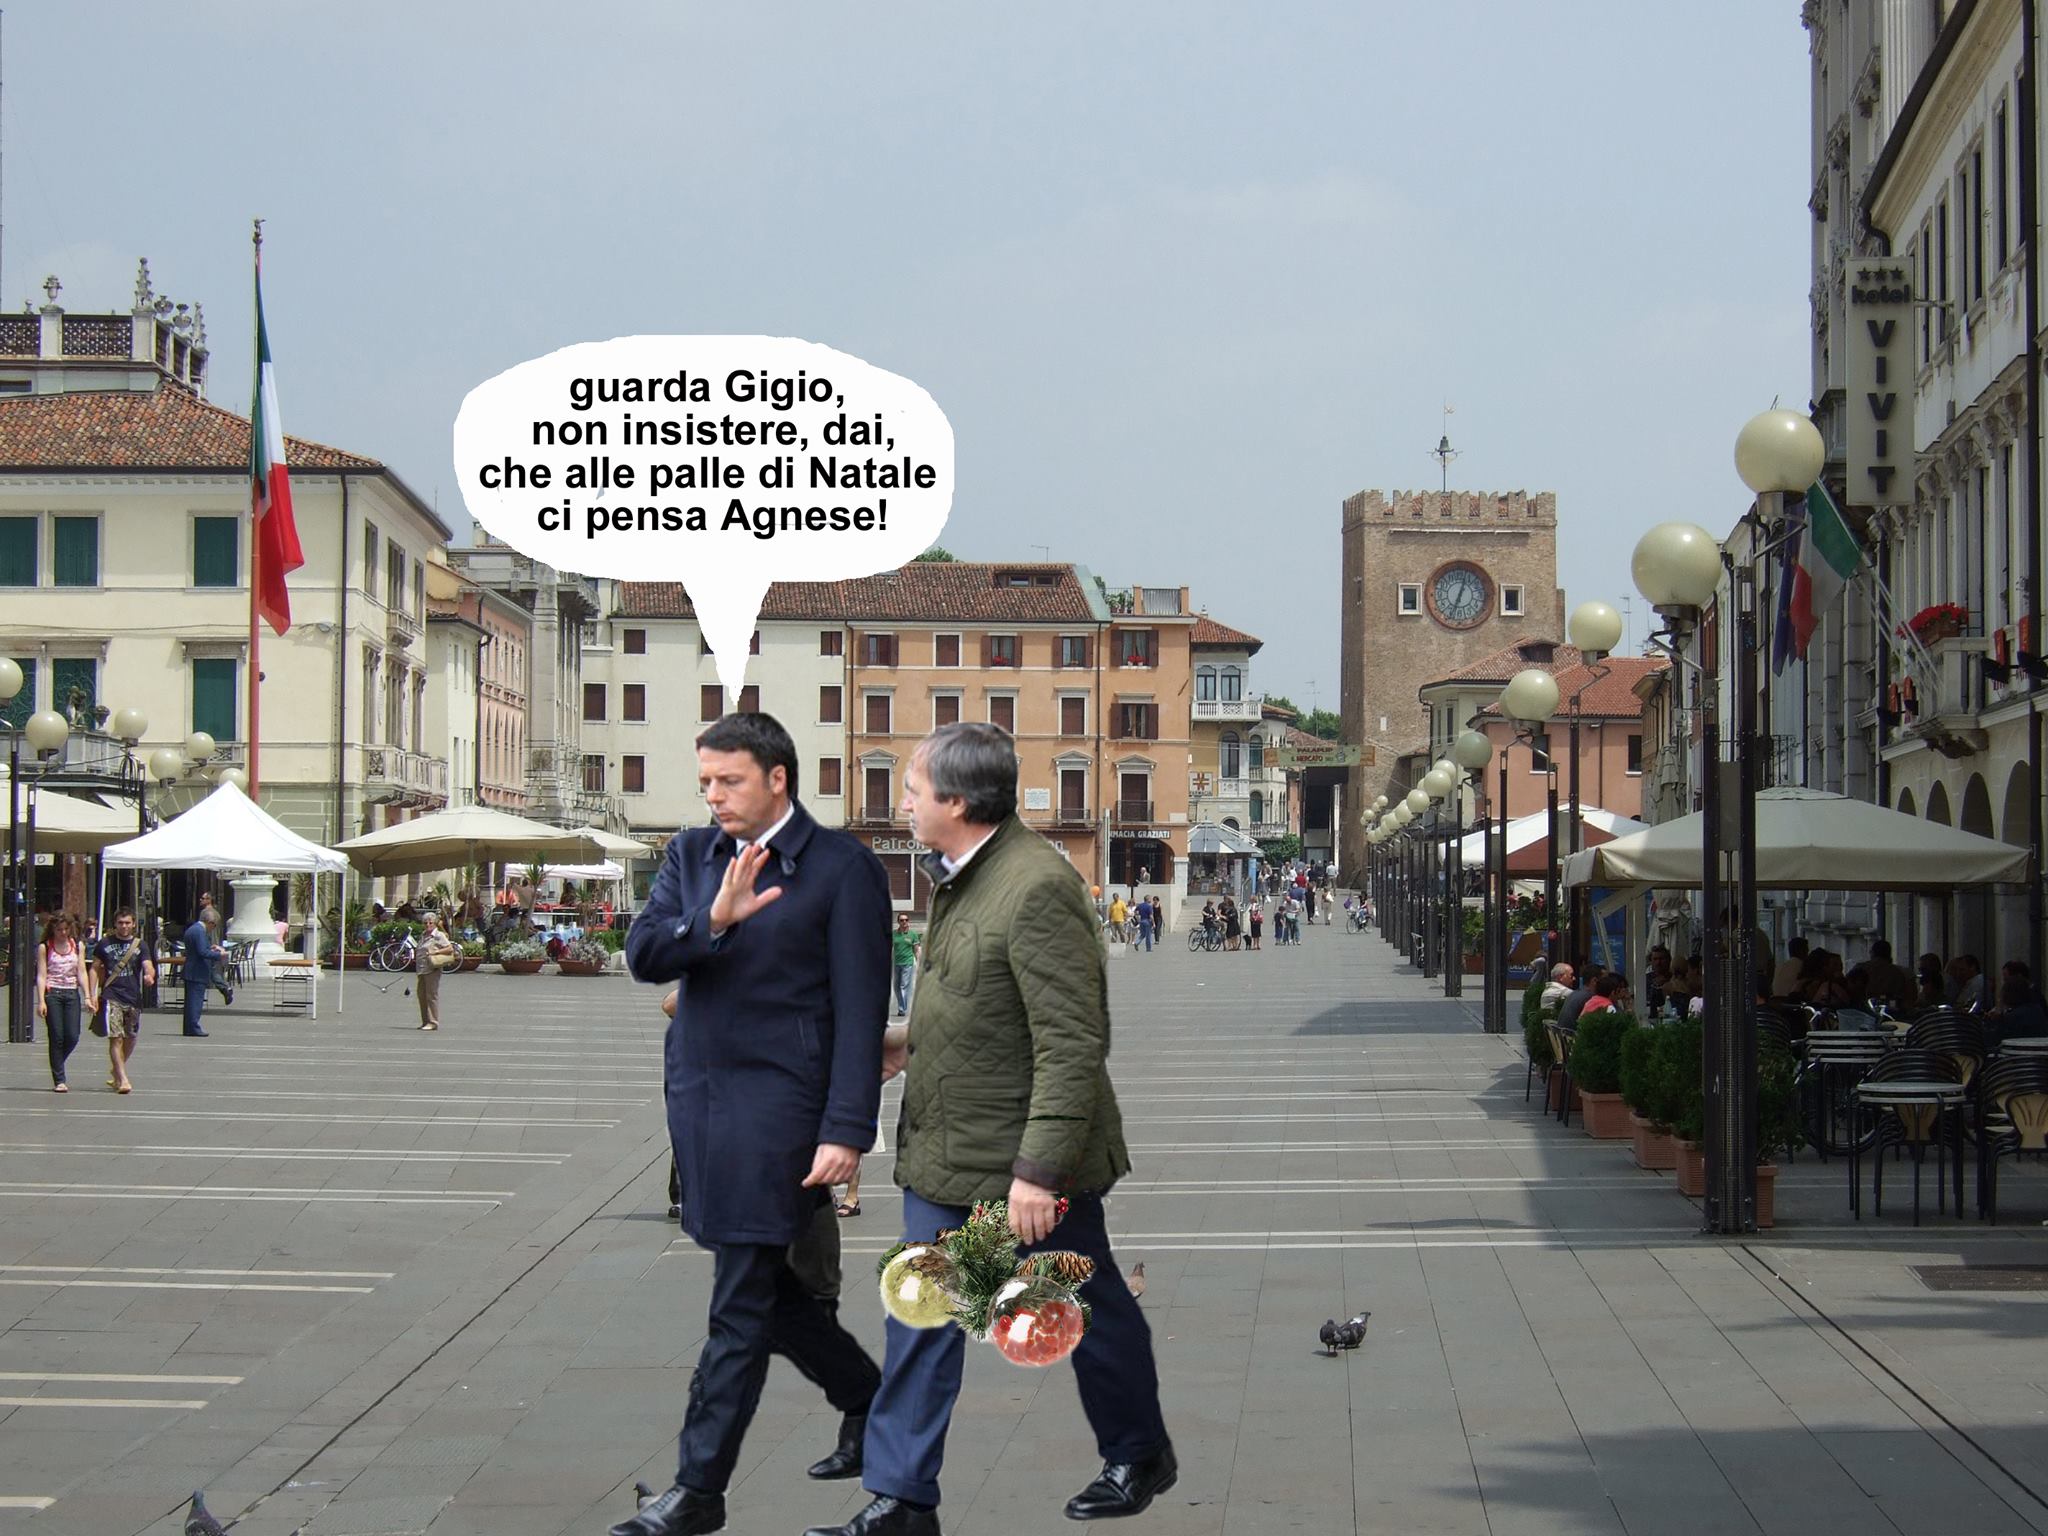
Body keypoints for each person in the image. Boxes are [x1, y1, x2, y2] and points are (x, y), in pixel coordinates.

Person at [810, 722, 1171, 1536]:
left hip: (1024, 1163)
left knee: (1084, 1308)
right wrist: (911, 1041)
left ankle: (1139, 1451)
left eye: (913, 789)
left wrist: (1039, 1172)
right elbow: (988, 1001)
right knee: (919, 1318)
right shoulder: (965, 877)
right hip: (946, 1155)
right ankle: (902, 1499)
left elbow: (1071, 1039)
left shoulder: (1035, 885)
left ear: (958, 801)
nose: (902, 803)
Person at [617, 712, 890, 1536]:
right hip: (700, 1103)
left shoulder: (842, 868)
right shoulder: (691, 855)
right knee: (767, 1288)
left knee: (739, 1301)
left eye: (728, 780)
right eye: (706, 781)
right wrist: (713, 920)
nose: (714, 795)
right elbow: (643, 955)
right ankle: (871, 1402)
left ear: (777, 778)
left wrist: (847, 1129)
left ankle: (698, 1488)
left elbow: (860, 1009)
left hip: (784, 1112)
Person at [91, 908, 153, 1094]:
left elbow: (148, 964)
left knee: (131, 1038)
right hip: (112, 995)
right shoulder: (104, 944)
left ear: (133, 924)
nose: (124, 926)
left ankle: (117, 1070)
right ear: (115, 924)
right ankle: (123, 1079)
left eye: (127, 923)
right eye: (120, 923)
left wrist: (149, 975)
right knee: (116, 1037)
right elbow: (94, 968)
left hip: (133, 996)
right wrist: (92, 994)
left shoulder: (140, 945)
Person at [37, 914, 91, 1091]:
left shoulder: (77, 946)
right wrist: (41, 1001)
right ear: (53, 929)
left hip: (71, 993)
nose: (63, 933)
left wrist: (88, 996)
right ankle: (59, 1079)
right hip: (53, 993)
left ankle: (57, 1061)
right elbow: (41, 975)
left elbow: (82, 971)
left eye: (66, 929)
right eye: (59, 929)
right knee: (57, 1036)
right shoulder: (45, 947)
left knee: (72, 1036)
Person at [181, 906, 229, 1038]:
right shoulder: (199, 931)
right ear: (210, 922)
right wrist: (219, 955)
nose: (212, 929)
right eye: (214, 926)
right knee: (195, 1002)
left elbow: (200, 948)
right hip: (197, 971)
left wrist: (210, 948)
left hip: (192, 970)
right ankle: (193, 1027)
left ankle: (189, 1027)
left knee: (191, 1002)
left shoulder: (193, 929)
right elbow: (202, 952)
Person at [414, 913, 456, 1031]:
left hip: (432, 968)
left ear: (435, 923)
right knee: (421, 995)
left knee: (431, 995)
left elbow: (449, 948)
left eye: (430, 923)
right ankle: (425, 1021)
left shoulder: (438, 935)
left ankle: (433, 1022)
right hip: (422, 969)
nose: (428, 925)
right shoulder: (423, 935)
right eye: (425, 923)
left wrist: (435, 952)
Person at [1861, 939, 1917, 1008]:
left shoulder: (1860, 969)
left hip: (1865, 1008)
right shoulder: (1904, 972)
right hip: (1893, 1007)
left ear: (1872, 953)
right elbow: (1911, 998)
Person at [891, 914, 920, 1019]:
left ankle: (901, 1009)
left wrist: (919, 963)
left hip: (907, 963)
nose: (904, 922)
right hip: (896, 963)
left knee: (903, 986)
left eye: (906, 920)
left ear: (908, 921)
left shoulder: (913, 934)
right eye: (902, 920)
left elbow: (916, 950)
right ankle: (902, 1006)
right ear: (898, 922)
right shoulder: (894, 934)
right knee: (896, 987)